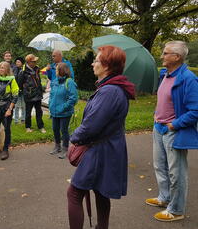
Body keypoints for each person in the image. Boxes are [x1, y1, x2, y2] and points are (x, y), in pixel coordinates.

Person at [67, 45, 135, 229]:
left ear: (106, 66)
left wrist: (73, 138)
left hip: (101, 150)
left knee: (74, 193)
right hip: (106, 147)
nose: (92, 63)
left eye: (96, 60)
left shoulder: (109, 91)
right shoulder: (111, 88)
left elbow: (91, 126)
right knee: (100, 190)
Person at [145, 41, 198, 222]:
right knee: (160, 166)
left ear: (177, 57)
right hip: (158, 128)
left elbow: (195, 110)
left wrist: (174, 125)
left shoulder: (188, 79)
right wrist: (156, 116)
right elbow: (163, 100)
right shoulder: (166, 75)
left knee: (177, 173)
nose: (162, 56)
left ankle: (176, 210)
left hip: (173, 131)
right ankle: (164, 197)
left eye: (166, 53)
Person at [49, 62, 78, 159]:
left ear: (62, 70)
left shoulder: (69, 82)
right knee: (55, 129)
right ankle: (57, 146)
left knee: (64, 130)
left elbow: (73, 98)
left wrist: (63, 107)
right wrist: (50, 105)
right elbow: (52, 95)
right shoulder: (55, 81)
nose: (55, 71)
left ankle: (65, 148)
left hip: (65, 112)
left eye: (57, 69)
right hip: (55, 112)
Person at [17, 54, 46, 133]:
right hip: (29, 95)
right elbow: (19, 84)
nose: (35, 62)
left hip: (38, 94)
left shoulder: (37, 69)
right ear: (29, 62)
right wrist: (26, 90)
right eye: (34, 61)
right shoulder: (23, 71)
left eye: (35, 61)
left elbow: (38, 81)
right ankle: (28, 127)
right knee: (28, 112)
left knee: (39, 111)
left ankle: (41, 127)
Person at [13, 57, 25, 124]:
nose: (17, 63)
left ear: (22, 63)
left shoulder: (24, 70)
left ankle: (23, 119)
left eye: (18, 62)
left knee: (23, 106)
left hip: (23, 91)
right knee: (16, 106)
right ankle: (16, 120)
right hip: (16, 91)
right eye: (16, 62)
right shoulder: (14, 70)